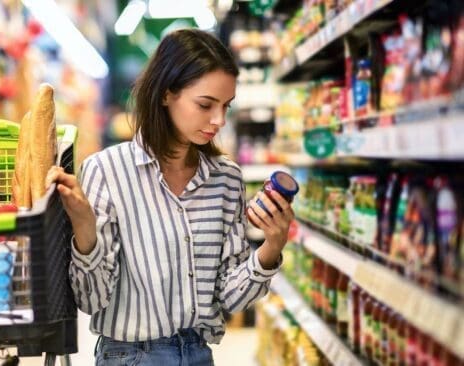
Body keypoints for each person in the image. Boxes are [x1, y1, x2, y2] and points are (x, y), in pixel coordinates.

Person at [46, 28, 294, 366]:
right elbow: (92, 299)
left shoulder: (225, 178)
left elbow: (230, 298)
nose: (219, 120)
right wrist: (85, 230)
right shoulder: (107, 170)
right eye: (205, 104)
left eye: (226, 106)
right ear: (166, 94)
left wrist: (271, 247)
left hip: (198, 354)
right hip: (128, 356)